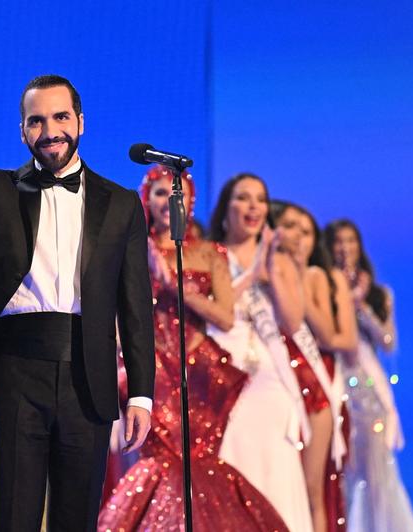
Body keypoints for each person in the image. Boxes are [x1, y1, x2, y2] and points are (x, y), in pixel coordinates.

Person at [0, 30, 155, 531]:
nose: (49, 129)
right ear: (23, 131)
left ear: (80, 122)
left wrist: (141, 393)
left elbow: (136, 306)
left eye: (59, 117)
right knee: (14, 519)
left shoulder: (120, 204)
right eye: (37, 120)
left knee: (76, 521)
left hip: (88, 377)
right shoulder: (2, 191)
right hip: (17, 373)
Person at [98, 166, 289, 531]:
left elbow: (226, 317)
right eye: (160, 193)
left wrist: (174, 287)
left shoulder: (208, 253)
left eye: (178, 193)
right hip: (150, 371)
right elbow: (117, 316)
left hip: (200, 373)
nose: (170, 202)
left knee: (200, 461)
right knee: (161, 460)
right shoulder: (131, 251)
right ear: (146, 199)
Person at [207, 173, 314, 532]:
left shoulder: (277, 261)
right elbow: (217, 314)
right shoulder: (209, 255)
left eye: (260, 199)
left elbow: (293, 319)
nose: (253, 206)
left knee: (275, 473)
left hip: (269, 381)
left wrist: (270, 268)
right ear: (226, 209)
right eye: (243, 198)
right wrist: (251, 275)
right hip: (224, 377)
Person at [324, 219, 413, 532]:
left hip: (367, 387)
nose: (344, 248)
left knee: (376, 471)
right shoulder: (321, 287)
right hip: (334, 380)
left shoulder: (378, 294)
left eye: (350, 241)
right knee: (342, 471)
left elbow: (388, 342)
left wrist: (360, 304)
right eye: (338, 241)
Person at [272, 201, 357, 532]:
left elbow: (338, 338)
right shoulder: (276, 269)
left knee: (314, 486)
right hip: (284, 380)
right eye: (293, 230)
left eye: (307, 232)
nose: (300, 240)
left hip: (316, 379)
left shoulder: (318, 275)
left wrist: (300, 289)